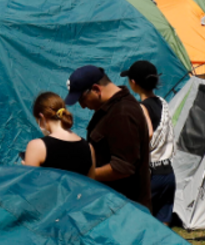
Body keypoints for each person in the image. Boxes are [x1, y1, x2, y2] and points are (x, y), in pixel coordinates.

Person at [66, 64, 152, 209]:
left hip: (126, 209)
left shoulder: (123, 113)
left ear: (96, 89)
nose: (82, 106)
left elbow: (123, 167)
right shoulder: (109, 109)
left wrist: (87, 175)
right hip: (112, 204)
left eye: (82, 99)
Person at [123, 60, 176, 223]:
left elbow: (149, 134)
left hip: (151, 176)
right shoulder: (163, 102)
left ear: (133, 83)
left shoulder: (142, 107)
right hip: (168, 172)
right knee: (162, 225)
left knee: (140, 223)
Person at [22, 91, 93, 175]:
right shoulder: (89, 148)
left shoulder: (37, 146)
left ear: (42, 117)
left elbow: (31, 184)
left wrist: (26, 166)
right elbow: (90, 185)